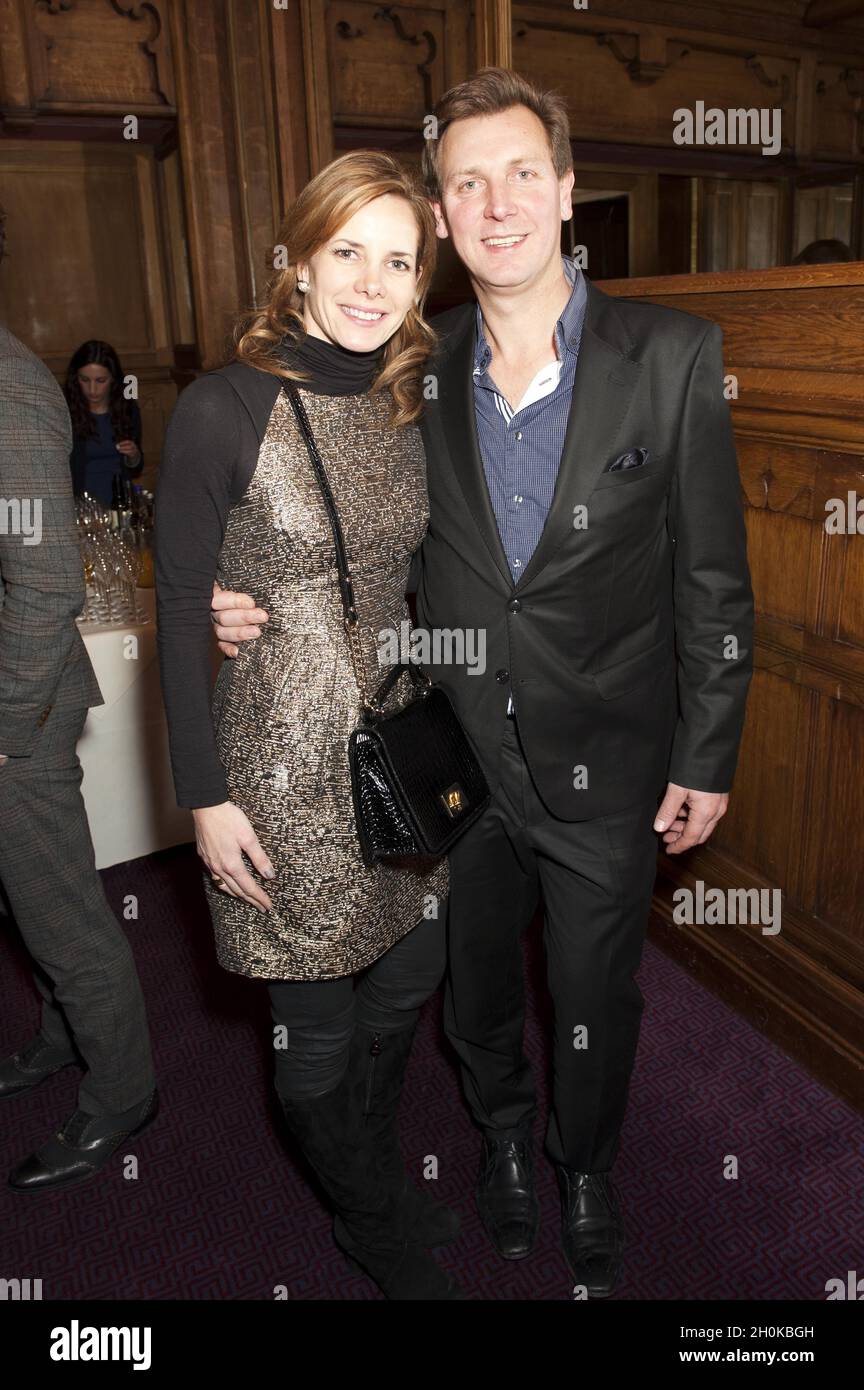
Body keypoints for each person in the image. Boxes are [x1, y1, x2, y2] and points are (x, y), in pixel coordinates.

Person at [212, 69, 755, 1300]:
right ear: (444, 220)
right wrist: (228, 592)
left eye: (523, 173)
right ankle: (504, 1137)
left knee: (591, 988)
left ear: (567, 191)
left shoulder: (673, 357)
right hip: (454, 754)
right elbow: (311, 511)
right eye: (467, 182)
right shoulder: (409, 363)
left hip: (610, 760)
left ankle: (585, 1163)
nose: (497, 202)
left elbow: (714, 582)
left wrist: (707, 753)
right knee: (475, 986)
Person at [154, 151, 461, 1301]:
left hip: (397, 739)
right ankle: (371, 1221)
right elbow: (182, 605)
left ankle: (366, 1174)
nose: (373, 283)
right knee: (313, 1018)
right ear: (298, 259)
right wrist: (204, 794)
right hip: (279, 761)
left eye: (398, 258)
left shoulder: (403, 394)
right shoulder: (223, 405)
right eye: (348, 252)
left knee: (411, 965)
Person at [0, 207, 157, 1192]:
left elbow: (48, 586)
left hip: (20, 704)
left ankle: (124, 1088)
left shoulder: (9, 390)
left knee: (60, 909)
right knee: (33, 894)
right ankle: (62, 1035)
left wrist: (6, 735)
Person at [65, 340, 143, 504]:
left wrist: (133, 456)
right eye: (84, 380)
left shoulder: (127, 408)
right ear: (75, 378)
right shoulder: (65, 412)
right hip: (80, 503)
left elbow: (135, 469)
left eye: (101, 381)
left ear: (113, 379)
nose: (92, 389)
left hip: (121, 500)